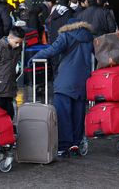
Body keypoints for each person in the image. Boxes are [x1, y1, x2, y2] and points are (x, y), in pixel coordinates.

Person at [28, 18, 93, 157]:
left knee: (63, 114)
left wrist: (34, 58)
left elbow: (52, 50)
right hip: (83, 80)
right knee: (78, 113)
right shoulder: (89, 37)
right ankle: (76, 143)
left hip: (65, 80)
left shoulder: (66, 35)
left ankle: (64, 145)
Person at [0, 26, 25, 120]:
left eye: (20, 43)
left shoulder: (16, 48)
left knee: (9, 113)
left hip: (10, 87)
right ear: (9, 38)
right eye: (16, 42)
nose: (18, 45)